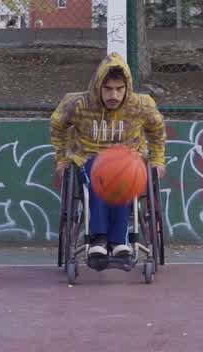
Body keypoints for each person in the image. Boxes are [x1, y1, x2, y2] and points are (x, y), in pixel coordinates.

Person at [50, 52, 166, 263]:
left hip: (129, 162)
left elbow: (157, 131)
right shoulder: (77, 104)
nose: (114, 95)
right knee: (102, 173)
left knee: (120, 175)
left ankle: (118, 241)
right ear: (98, 87)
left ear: (127, 88)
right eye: (108, 89)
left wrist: (157, 160)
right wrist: (62, 158)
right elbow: (58, 126)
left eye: (119, 89)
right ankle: (99, 239)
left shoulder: (142, 104)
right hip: (89, 159)